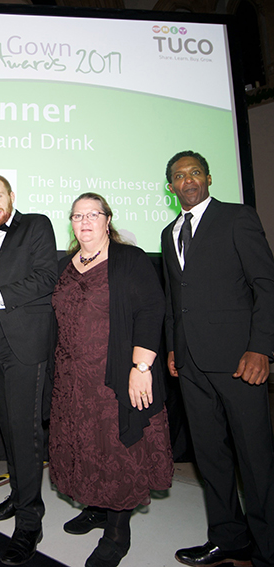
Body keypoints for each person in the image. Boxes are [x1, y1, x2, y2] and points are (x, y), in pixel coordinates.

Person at [161, 151, 274, 567]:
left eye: (194, 173)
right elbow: (176, 300)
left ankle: (268, 550)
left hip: (240, 362)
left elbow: (266, 284)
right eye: (178, 176)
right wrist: (175, 347)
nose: (187, 180)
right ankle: (229, 539)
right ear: (170, 186)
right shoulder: (168, 232)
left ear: (208, 177)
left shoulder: (237, 218)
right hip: (191, 365)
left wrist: (261, 347)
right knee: (211, 458)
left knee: (256, 460)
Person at [49, 193, 174, 567]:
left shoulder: (129, 259)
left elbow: (152, 311)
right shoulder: (64, 264)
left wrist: (141, 368)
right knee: (85, 445)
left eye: (93, 214)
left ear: (108, 219)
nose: (85, 221)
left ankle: (118, 531)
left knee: (116, 449)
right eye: (77, 215)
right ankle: (97, 507)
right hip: (72, 378)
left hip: (115, 374)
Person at [0, 174, 58, 565]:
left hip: (23, 342)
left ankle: (29, 522)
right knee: (8, 426)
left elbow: (46, 278)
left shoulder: (36, 224)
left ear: (11, 196)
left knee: (25, 430)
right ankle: (18, 494)